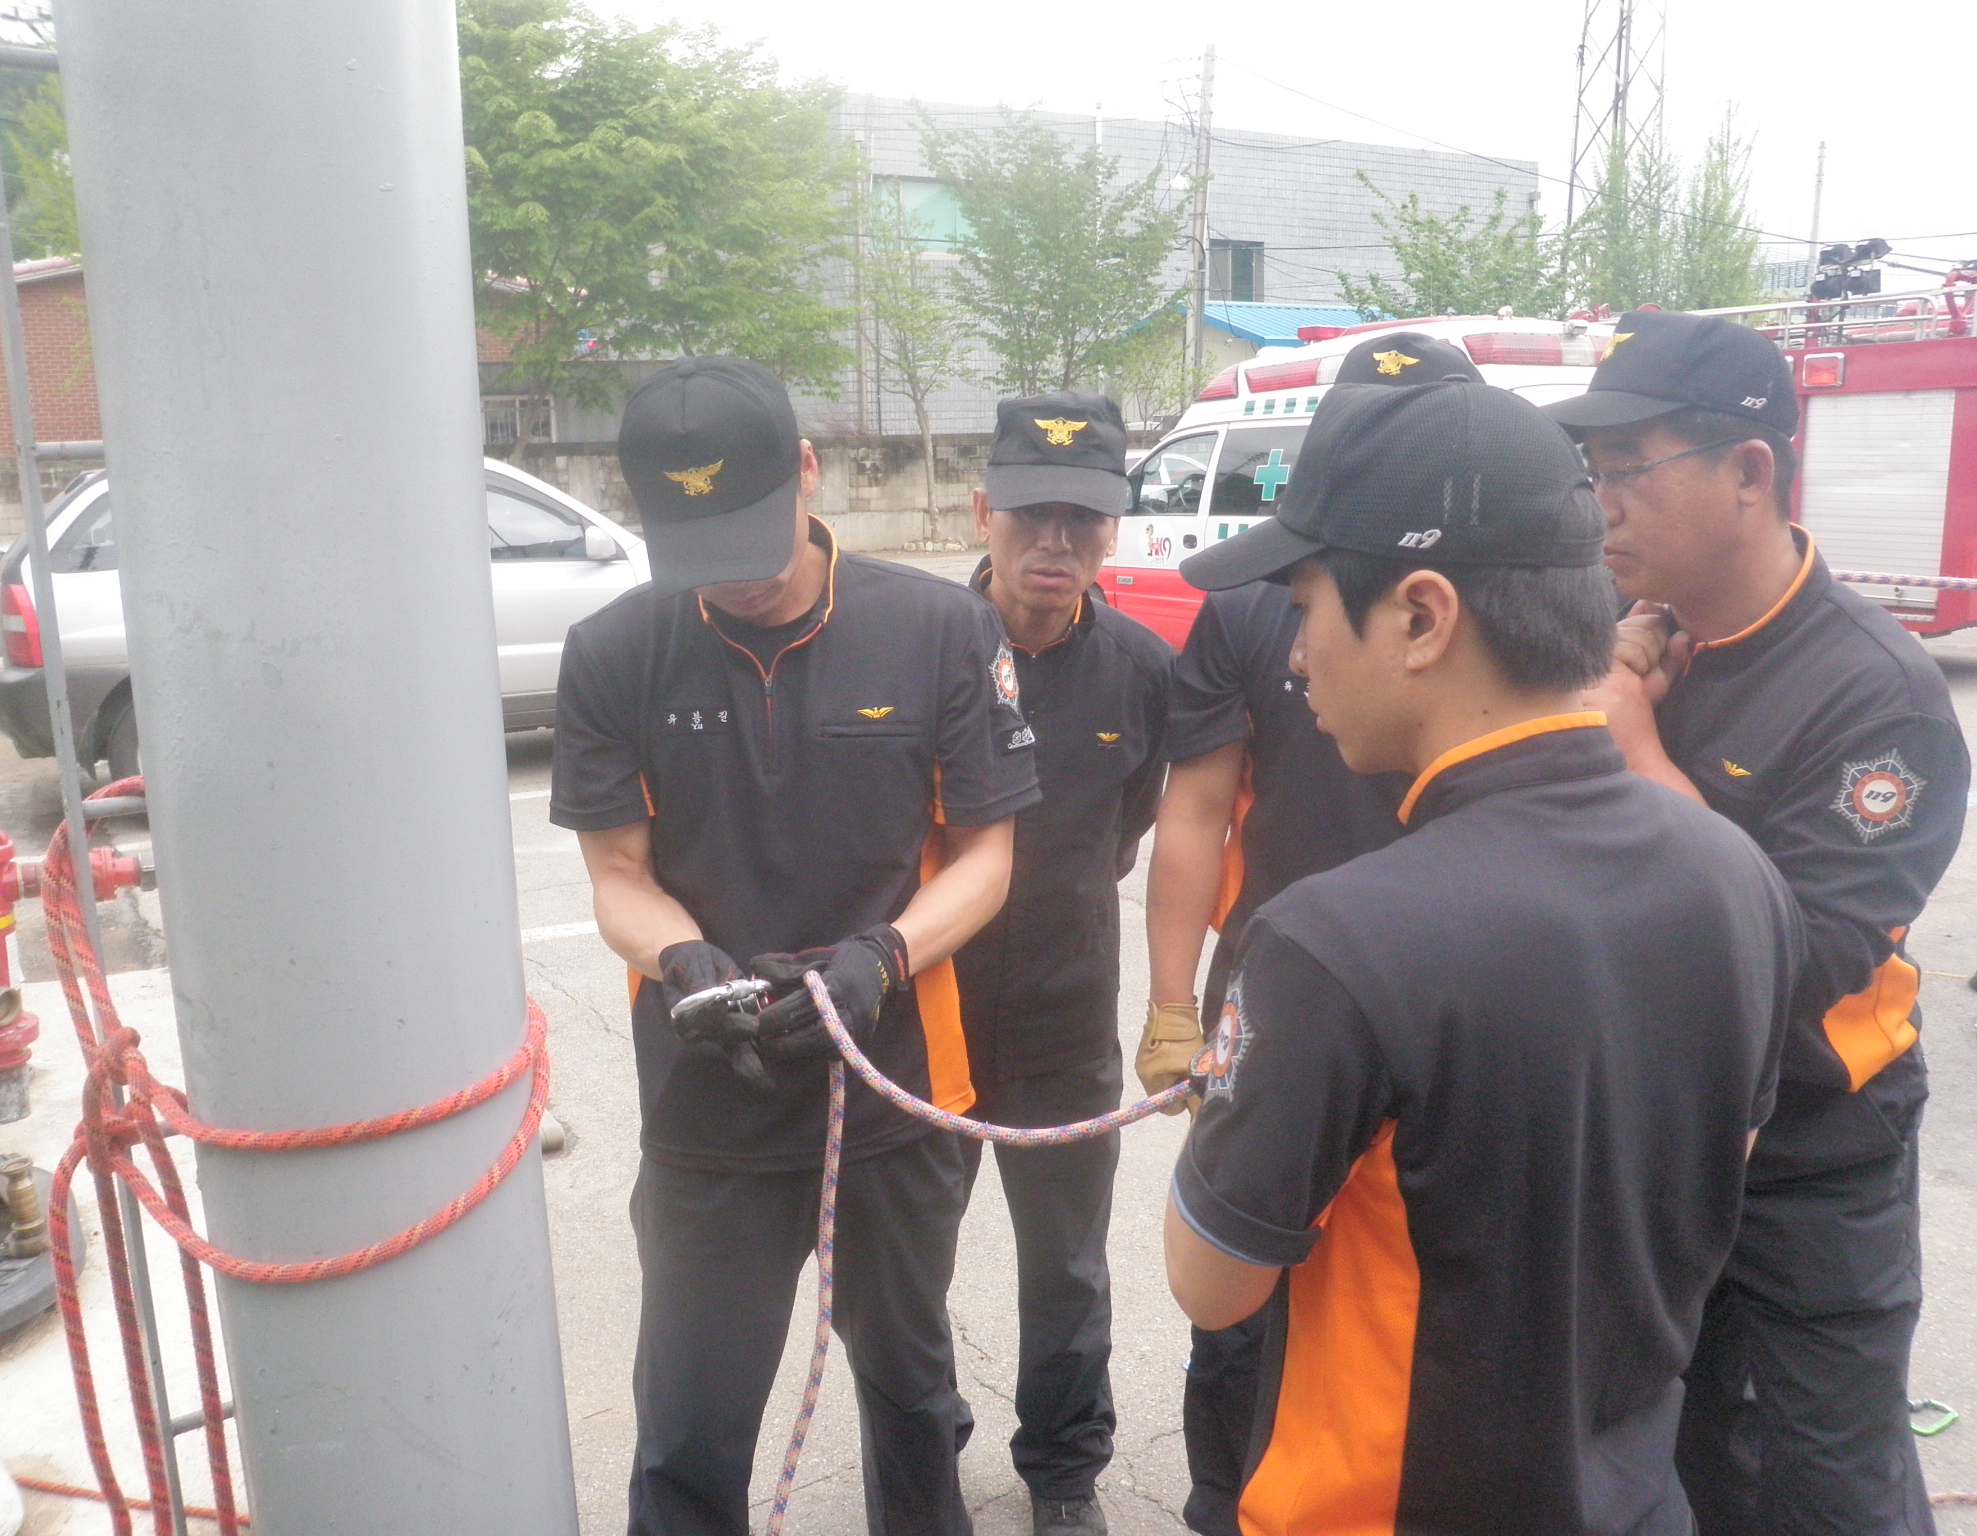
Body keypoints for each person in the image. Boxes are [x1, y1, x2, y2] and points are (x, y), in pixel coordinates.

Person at [1162, 378, 1803, 1535]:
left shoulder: (1331, 942)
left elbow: (1212, 1284)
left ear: (1420, 616)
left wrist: (1229, 1086)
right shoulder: (1734, 874)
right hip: (1630, 1498)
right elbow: (1711, 1170)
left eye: (1305, 608)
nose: (1294, 658)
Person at [550, 356, 1041, 1536]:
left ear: (807, 471)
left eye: (750, 535)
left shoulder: (938, 629)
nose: (736, 576)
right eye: (700, 550)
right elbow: (617, 876)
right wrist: (686, 964)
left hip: (890, 1094)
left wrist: (881, 957)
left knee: (913, 1405)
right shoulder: (615, 650)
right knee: (686, 1432)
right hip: (707, 1108)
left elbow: (987, 857)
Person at [1545, 310, 1971, 1535]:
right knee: (1674, 1464)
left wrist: (1632, 749)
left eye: (1629, 470)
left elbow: (1799, 956)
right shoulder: (1636, 633)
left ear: (1746, 471)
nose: (1601, 505)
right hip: (1656, 1130)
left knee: (1821, 1484)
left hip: (1808, 1155)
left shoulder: (1873, 695)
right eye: (1592, 474)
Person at [1136, 332, 1479, 1536]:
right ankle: (1219, 1502)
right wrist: (1170, 1003)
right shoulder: (1254, 607)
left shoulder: (1510, 619)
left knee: (1420, 1294)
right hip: (1275, 998)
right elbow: (1191, 810)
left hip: (1454, 1006)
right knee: (1239, 1291)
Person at [953, 393, 1173, 1536]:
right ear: (979, 510)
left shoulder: (1141, 671)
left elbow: (1130, 825)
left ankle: (1063, 1474)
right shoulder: (919, 650)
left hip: (1065, 1013)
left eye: (1080, 518)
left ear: (1113, 526)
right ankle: (915, 1450)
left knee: (1068, 1266)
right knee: (902, 1267)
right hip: (924, 1015)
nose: (1054, 541)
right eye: (1028, 513)